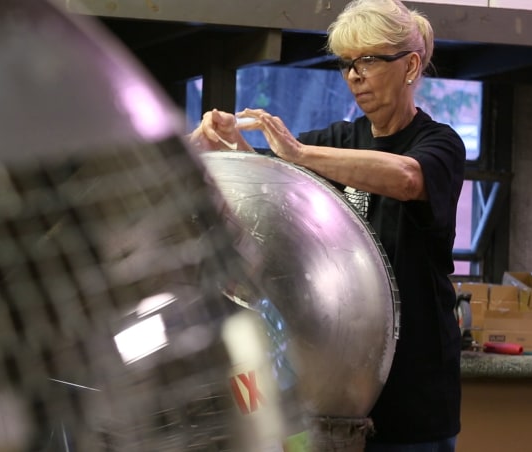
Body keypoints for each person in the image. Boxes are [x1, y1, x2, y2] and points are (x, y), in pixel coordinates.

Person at [188, 0, 465, 450]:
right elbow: (266, 187)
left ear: (410, 65)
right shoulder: (337, 140)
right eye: (347, 64)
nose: (355, 75)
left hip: (413, 399)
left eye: (369, 60)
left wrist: (298, 154)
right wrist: (222, 144)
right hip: (341, 397)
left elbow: (407, 177)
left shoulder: (440, 145)